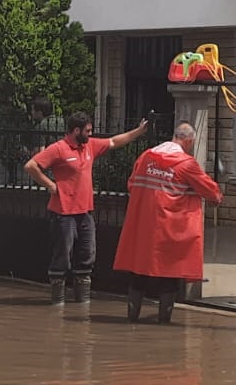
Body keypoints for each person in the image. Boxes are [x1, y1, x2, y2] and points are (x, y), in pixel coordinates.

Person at [25, 113, 149, 305]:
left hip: (85, 212)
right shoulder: (59, 149)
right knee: (62, 257)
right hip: (63, 213)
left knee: (87, 255)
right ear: (76, 131)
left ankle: (82, 302)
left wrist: (138, 132)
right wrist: (50, 185)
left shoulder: (89, 146)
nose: (90, 134)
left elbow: (114, 142)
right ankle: (57, 301)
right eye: (88, 131)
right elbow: (31, 165)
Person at [114, 122, 223, 325]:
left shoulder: (146, 157)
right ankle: (164, 323)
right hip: (170, 227)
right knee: (170, 274)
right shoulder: (186, 164)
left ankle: (132, 319)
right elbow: (210, 190)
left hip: (143, 226)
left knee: (139, 272)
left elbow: (131, 184)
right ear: (189, 141)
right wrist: (216, 197)